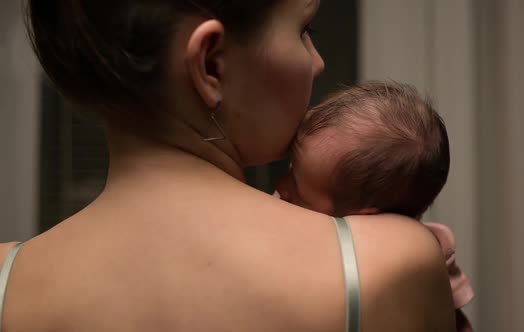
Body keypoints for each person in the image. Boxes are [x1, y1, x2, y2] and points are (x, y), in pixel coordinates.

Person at [0, 1, 456, 331]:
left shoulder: (6, 281)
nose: (317, 63)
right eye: (304, 31)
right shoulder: (389, 264)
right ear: (210, 63)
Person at [275, 81, 474, 331]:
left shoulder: (428, 254)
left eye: (298, 187)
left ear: (363, 217)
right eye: (291, 169)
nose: (281, 186)